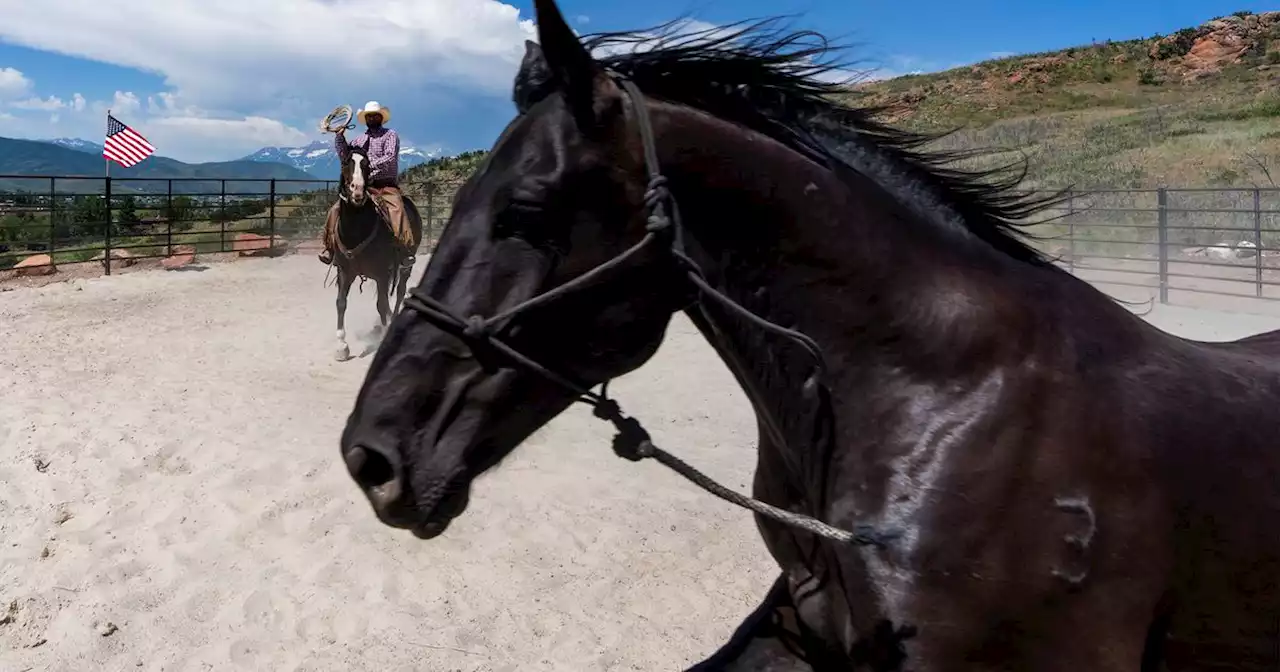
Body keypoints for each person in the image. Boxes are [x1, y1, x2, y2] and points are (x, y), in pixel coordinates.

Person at [318, 100, 416, 268]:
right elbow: (345, 157)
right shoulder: (359, 140)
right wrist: (340, 137)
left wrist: (366, 166)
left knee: (396, 209)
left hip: (385, 185)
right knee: (336, 209)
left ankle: (404, 248)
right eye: (369, 116)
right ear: (366, 118)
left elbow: (390, 157)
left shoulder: (390, 135)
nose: (372, 118)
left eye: (375, 115)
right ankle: (330, 247)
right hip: (363, 185)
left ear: (381, 117)